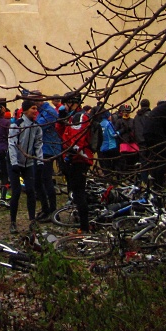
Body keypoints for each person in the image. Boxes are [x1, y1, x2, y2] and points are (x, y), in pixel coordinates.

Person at [57, 95, 92, 232]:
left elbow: (77, 141)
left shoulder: (80, 117)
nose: (63, 106)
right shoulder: (72, 117)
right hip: (74, 158)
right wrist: (61, 119)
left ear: (71, 103)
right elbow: (62, 133)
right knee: (76, 192)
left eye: (64, 104)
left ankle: (84, 227)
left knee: (79, 193)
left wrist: (70, 156)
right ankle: (83, 223)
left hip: (79, 159)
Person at [9, 103, 42, 232]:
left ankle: (32, 220)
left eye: (36, 108)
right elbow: (12, 144)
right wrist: (13, 163)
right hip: (14, 161)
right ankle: (12, 222)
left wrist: (39, 161)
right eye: (33, 108)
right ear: (25, 110)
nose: (35, 111)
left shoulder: (36, 126)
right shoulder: (16, 124)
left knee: (31, 191)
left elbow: (38, 144)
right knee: (16, 192)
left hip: (28, 162)